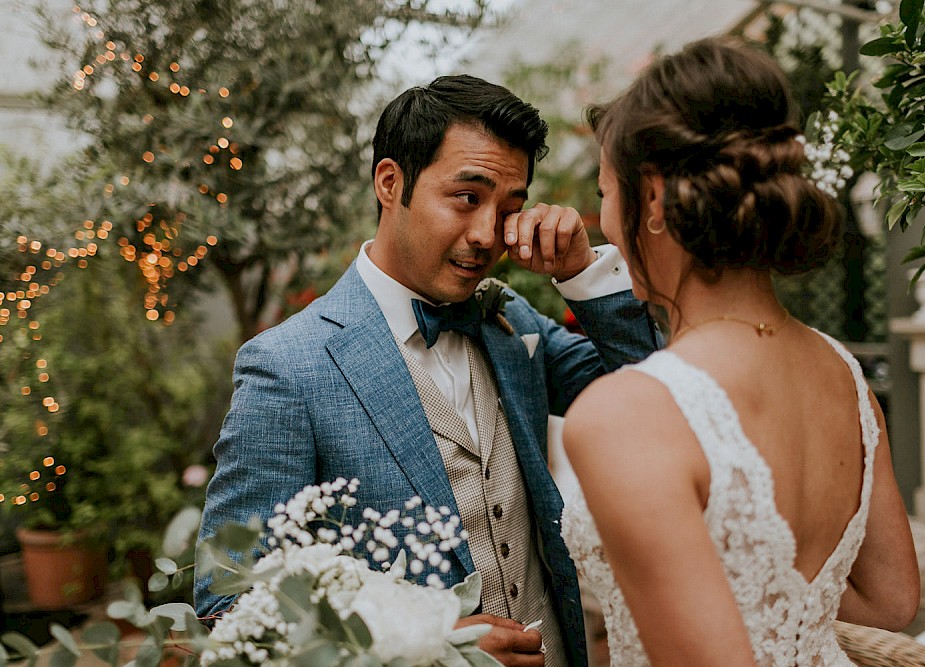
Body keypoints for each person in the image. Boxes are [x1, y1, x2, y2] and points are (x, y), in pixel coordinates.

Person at [195, 74, 661, 667]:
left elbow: (655, 397)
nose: (488, 235)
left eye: (509, 209)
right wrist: (432, 648)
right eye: (467, 198)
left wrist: (582, 273)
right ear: (391, 183)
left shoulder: (510, 320)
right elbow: (228, 605)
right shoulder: (288, 368)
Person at [560, 37, 920, 666]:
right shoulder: (843, 373)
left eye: (604, 193)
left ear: (650, 199)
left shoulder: (627, 414)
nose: (602, 221)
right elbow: (891, 599)